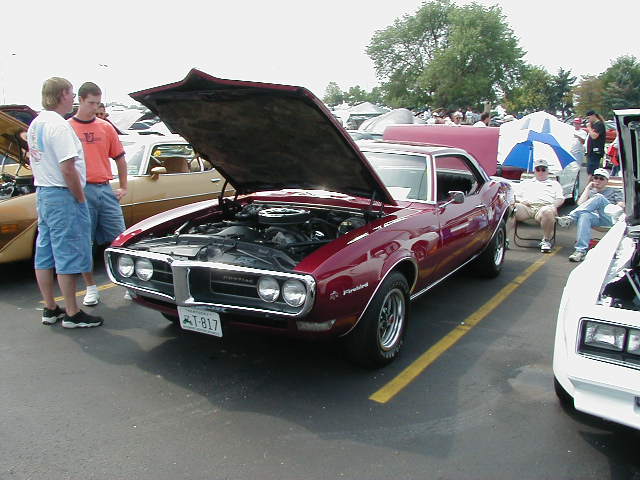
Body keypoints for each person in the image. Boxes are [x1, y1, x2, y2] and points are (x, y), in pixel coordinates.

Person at [26, 77, 103, 328]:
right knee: (67, 252)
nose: (72, 97)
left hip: (44, 192)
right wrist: (79, 196)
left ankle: (50, 307)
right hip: (62, 194)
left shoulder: (36, 123)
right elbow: (68, 167)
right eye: (70, 93)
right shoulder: (58, 126)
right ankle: (72, 312)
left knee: (45, 251)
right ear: (62, 95)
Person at [68, 82, 127, 306]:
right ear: (81, 100)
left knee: (120, 239)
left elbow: (120, 157)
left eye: (98, 103)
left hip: (104, 188)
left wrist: (124, 186)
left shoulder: (105, 127)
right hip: (82, 190)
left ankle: (127, 284)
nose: (95, 108)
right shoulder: (67, 128)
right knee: (85, 242)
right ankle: (91, 287)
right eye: (91, 103)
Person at [556, 168, 624, 262]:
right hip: (596, 219)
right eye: (596, 178)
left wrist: (607, 206)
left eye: (601, 178)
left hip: (610, 218)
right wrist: (587, 188)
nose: (598, 180)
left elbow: (621, 205)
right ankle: (580, 251)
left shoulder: (614, 190)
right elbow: (580, 204)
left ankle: (570, 218)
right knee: (584, 215)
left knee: (599, 198)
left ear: (606, 181)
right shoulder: (591, 191)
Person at [513, 158, 564, 253]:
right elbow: (514, 195)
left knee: (547, 211)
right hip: (527, 207)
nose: (541, 172)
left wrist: (554, 206)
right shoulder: (526, 182)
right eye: (538, 169)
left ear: (547, 171)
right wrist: (521, 201)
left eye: (543, 169)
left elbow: (560, 198)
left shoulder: (554, 184)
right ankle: (504, 239)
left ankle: (546, 240)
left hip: (544, 208)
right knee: (510, 207)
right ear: (534, 171)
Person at [585, 109, 606, 180]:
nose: (588, 120)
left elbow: (594, 136)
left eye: (589, 118)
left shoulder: (599, 124)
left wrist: (589, 128)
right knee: (589, 171)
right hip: (591, 152)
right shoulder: (594, 125)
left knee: (592, 172)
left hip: (596, 151)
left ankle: (588, 185)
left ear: (593, 116)